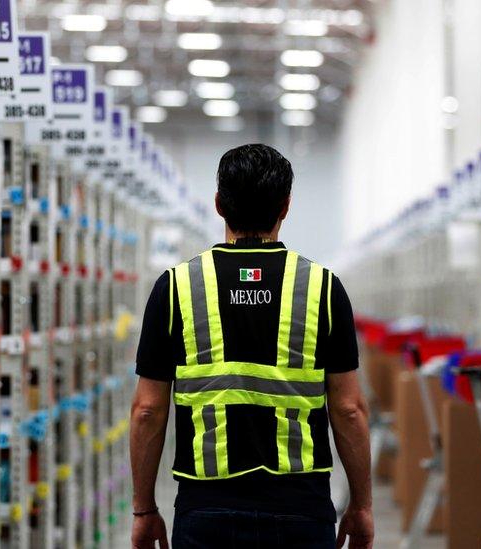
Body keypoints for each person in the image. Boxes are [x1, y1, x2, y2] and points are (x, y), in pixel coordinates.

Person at [129, 143, 373, 549]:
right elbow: (348, 409)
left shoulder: (175, 288)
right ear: (286, 206)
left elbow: (147, 410)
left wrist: (143, 508)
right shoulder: (322, 288)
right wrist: (362, 506)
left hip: (205, 509)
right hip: (301, 507)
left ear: (219, 204)